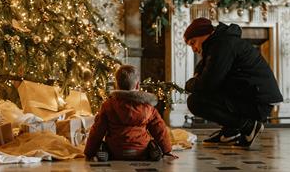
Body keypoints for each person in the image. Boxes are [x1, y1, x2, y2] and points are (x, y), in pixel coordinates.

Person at [184, 17, 283, 147]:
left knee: (196, 101)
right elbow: (206, 76)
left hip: (258, 102)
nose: (194, 49)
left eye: (193, 42)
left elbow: (207, 84)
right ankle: (230, 132)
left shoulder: (222, 45)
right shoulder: (218, 44)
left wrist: (189, 84)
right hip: (254, 97)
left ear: (205, 34)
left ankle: (248, 126)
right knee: (211, 90)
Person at [84, 65, 178, 161]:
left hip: (116, 151)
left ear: (116, 85)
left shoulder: (108, 105)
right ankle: (152, 150)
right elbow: (159, 129)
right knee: (152, 142)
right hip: (141, 150)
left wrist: (89, 152)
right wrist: (167, 150)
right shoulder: (147, 106)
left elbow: (97, 131)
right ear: (137, 85)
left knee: (103, 144)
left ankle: (104, 151)